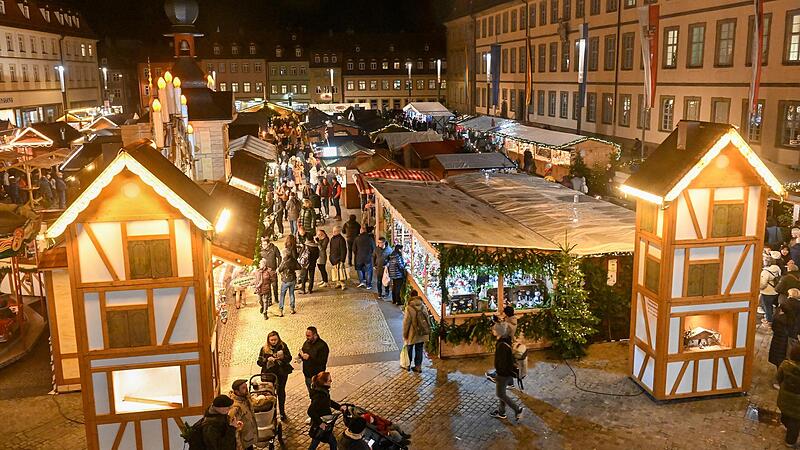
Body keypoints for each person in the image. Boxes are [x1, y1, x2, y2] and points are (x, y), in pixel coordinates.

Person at [489, 322, 524, 422]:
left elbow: (503, 362)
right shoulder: (505, 341)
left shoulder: (502, 345)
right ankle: (501, 412)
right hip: (506, 373)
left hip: (503, 374)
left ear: (499, 332)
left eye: (494, 330)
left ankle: (517, 410)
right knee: (502, 392)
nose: (493, 331)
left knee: (501, 394)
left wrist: (498, 373)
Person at [257, 331, 292, 421]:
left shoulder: (283, 346)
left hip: (281, 373)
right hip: (269, 374)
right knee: (269, 393)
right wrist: (266, 360)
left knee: (281, 392)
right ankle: (271, 412)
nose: (273, 342)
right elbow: (259, 362)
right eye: (271, 340)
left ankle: (282, 412)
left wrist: (282, 357)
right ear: (268, 340)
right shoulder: (264, 349)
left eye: (275, 340)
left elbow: (289, 358)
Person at [308, 371, 340, 450]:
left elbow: (328, 401)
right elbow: (310, 411)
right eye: (329, 380)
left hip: (321, 422)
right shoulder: (320, 395)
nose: (331, 381)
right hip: (322, 423)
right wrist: (320, 423)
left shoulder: (322, 391)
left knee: (315, 441)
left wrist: (339, 407)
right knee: (333, 442)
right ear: (324, 383)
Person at [402, 290, 431, 373]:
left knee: (409, 348)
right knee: (419, 349)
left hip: (412, 333)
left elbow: (406, 322)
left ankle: (407, 365)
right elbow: (427, 319)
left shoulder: (409, 308)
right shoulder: (423, 306)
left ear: (410, 297)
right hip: (421, 332)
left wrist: (405, 334)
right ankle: (418, 367)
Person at [777, 346, 800, 447]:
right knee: (795, 421)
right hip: (798, 405)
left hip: (784, 399)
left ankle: (786, 424)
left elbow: (778, 377)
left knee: (786, 414)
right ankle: (790, 442)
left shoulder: (785, 365)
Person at [300, 326, 330, 396]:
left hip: (317, 376)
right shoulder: (307, 342)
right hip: (307, 374)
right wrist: (301, 355)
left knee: (320, 395)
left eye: (308, 336)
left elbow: (322, 361)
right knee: (312, 395)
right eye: (306, 336)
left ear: (315, 335)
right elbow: (304, 351)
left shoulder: (322, 346)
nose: (307, 338)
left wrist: (309, 358)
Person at [228, 379, 257, 450]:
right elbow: (233, 427)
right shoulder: (235, 407)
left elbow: (254, 402)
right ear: (237, 391)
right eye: (243, 388)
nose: (246, 389)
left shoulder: (245, 397)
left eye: (246, 386)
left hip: (249, 437)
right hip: (243, 440)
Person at [762, 251, 783, 326]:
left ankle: (769, 321)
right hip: (776, 290)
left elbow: (763, 284)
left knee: (767, 307)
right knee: (775, 306)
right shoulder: (777, 268)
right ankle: (775, 318)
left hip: (767, 292)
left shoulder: (765, 272)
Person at [277, 248, 300, 316]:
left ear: (285, 254)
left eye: (282, 254)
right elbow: (299, 267)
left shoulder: (284, 262)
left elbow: (280, 269)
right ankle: (292, 309)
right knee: (291, 294)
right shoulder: (293, 260)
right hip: (292, 279)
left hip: (285, 280)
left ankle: (281, 310)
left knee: (282, 295)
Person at [260, 238, 282, 302]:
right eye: (262, 244)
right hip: (265, 271)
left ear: (269, 244)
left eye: (265, 244)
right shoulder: (261, 250)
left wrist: (278, 267)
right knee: (267, 286)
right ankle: (269, 300)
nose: (263, 246)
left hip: (273, 270)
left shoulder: (274, 248)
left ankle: (276, 298)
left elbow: (279, 257)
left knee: (275, 285)